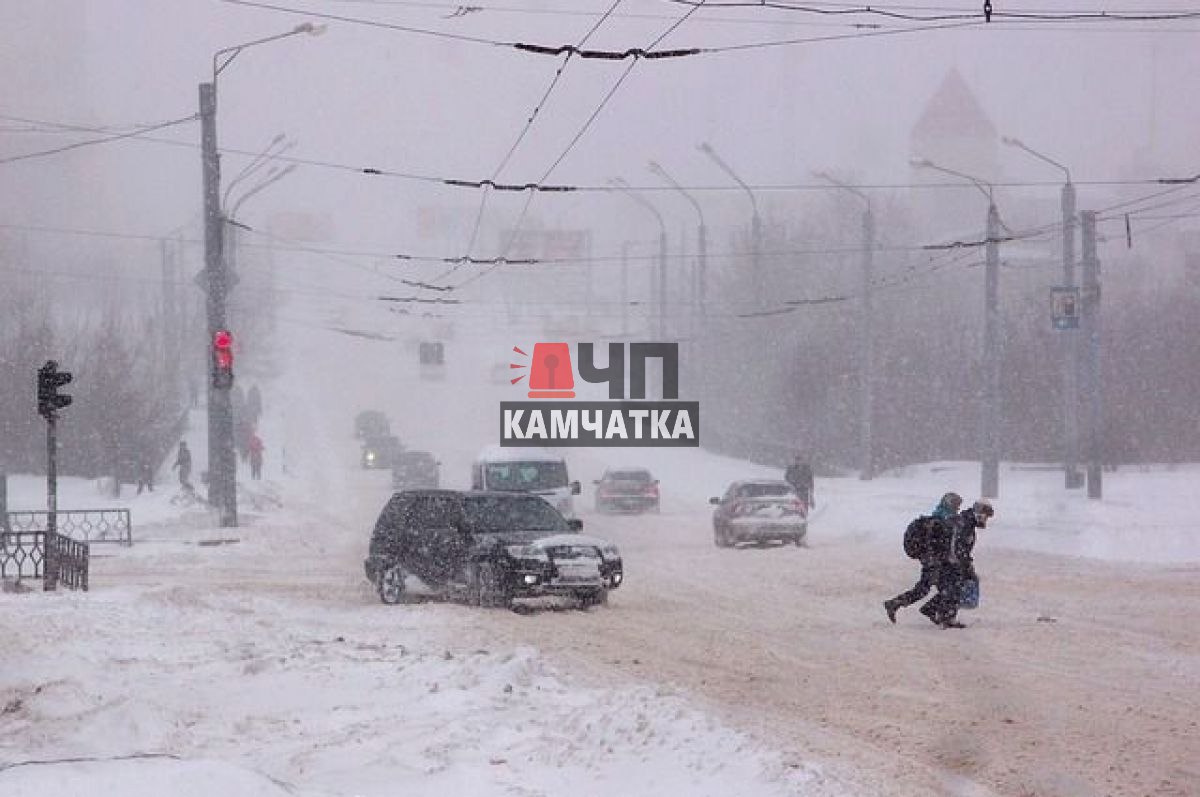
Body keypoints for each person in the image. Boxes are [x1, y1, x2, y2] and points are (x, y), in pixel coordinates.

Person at [883, 492, 961, 624]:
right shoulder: (940, 521)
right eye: (955, 505)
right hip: (935, 562)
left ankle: (896, 604)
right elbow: (937, 544)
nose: (957, 508)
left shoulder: (941, 518)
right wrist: (939, 559)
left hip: (932, 561)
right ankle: (941, 615)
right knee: (947, 589)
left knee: (927, 589)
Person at [923, 498, 994, 629]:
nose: (986, 520)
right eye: (986, 516)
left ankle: (936, 611)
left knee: (954, 587)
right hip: (948, 560)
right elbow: (957, 547)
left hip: (947, 559)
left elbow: (961, 548)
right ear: (980, 513)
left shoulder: (966, 521)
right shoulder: (965, 523)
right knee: (955, 587)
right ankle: (944, 616)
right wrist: (964, 564)